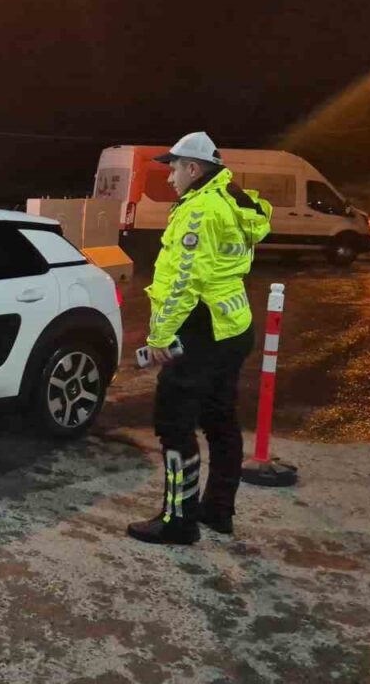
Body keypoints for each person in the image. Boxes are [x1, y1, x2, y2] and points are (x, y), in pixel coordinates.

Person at [127, 132, 272, 546]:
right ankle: (218, 510)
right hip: (231, 326)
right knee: (220, 419)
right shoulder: (230, 200)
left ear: (193, 168)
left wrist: (160, 335)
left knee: (174, 425)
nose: (169, 176)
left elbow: (183, 282)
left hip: (200, 330)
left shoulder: (200, 210)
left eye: (173, 167)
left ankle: (178, 521)